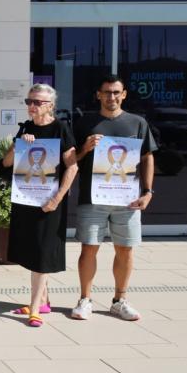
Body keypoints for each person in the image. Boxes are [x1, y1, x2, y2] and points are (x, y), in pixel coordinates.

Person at [72, 74, 156, 321]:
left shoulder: (137, 123)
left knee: (125, 249)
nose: (112, 97)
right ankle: (85, 300)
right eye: (107, 92)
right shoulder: (85, 123)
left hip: (127, 199)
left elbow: (147, 157)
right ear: (98, 95)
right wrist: (85, 148)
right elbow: (71, 159)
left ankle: (120, 300)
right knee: (89, 248)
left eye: (116, 92)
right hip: (92, 198)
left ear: (124, 94)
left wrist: (148, 192)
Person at [0, 84, 78, 327]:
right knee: (33, 251)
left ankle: (34, 309)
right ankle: (43, 301)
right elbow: (6, 164)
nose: (32, 106)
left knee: (43, 253)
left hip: (49, 202)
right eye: (29, 101)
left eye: (37, 102)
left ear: (50, 105)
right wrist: (18, 145)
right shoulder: (26, 127)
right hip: (27, 200)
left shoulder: (61, 128)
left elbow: (72, 166)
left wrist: (57, 199)